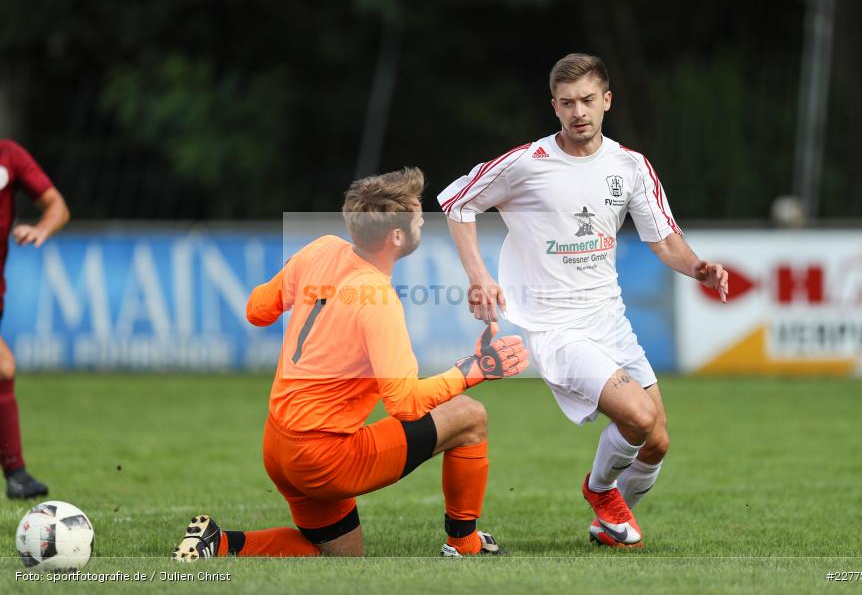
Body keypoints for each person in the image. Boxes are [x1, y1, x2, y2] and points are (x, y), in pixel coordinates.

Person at [438, 53, 728, 548]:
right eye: (568, 103)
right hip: (556, 327)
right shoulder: (527, 162)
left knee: (656, 441)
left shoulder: (630, 166)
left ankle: (606, 522)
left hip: (609, 319)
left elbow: (663, 237)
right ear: (554, 107)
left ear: (607, 101)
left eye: (589, 100)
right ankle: (599, 492)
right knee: (637, 417)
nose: (579, 112)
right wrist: (479, 275)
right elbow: (458, 202)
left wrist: (697, 267)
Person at [172, 167, 528, 560]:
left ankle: (219, 544)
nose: (422, 219)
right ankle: (464, 544)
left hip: (277, 446)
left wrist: (300, 277)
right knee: (470, 416)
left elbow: (257, 309)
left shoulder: (320, 249)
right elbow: (405, 404)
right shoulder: (377, 299)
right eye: (415, 213)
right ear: (396, 236)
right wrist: (475, 370)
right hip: (324, 459)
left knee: (340, 557)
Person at [0, 139, 70, 499]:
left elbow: (57, 206)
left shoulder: (10, 156)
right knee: (4, 367)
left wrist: (43, 228)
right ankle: (16, 473)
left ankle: (16, 474)